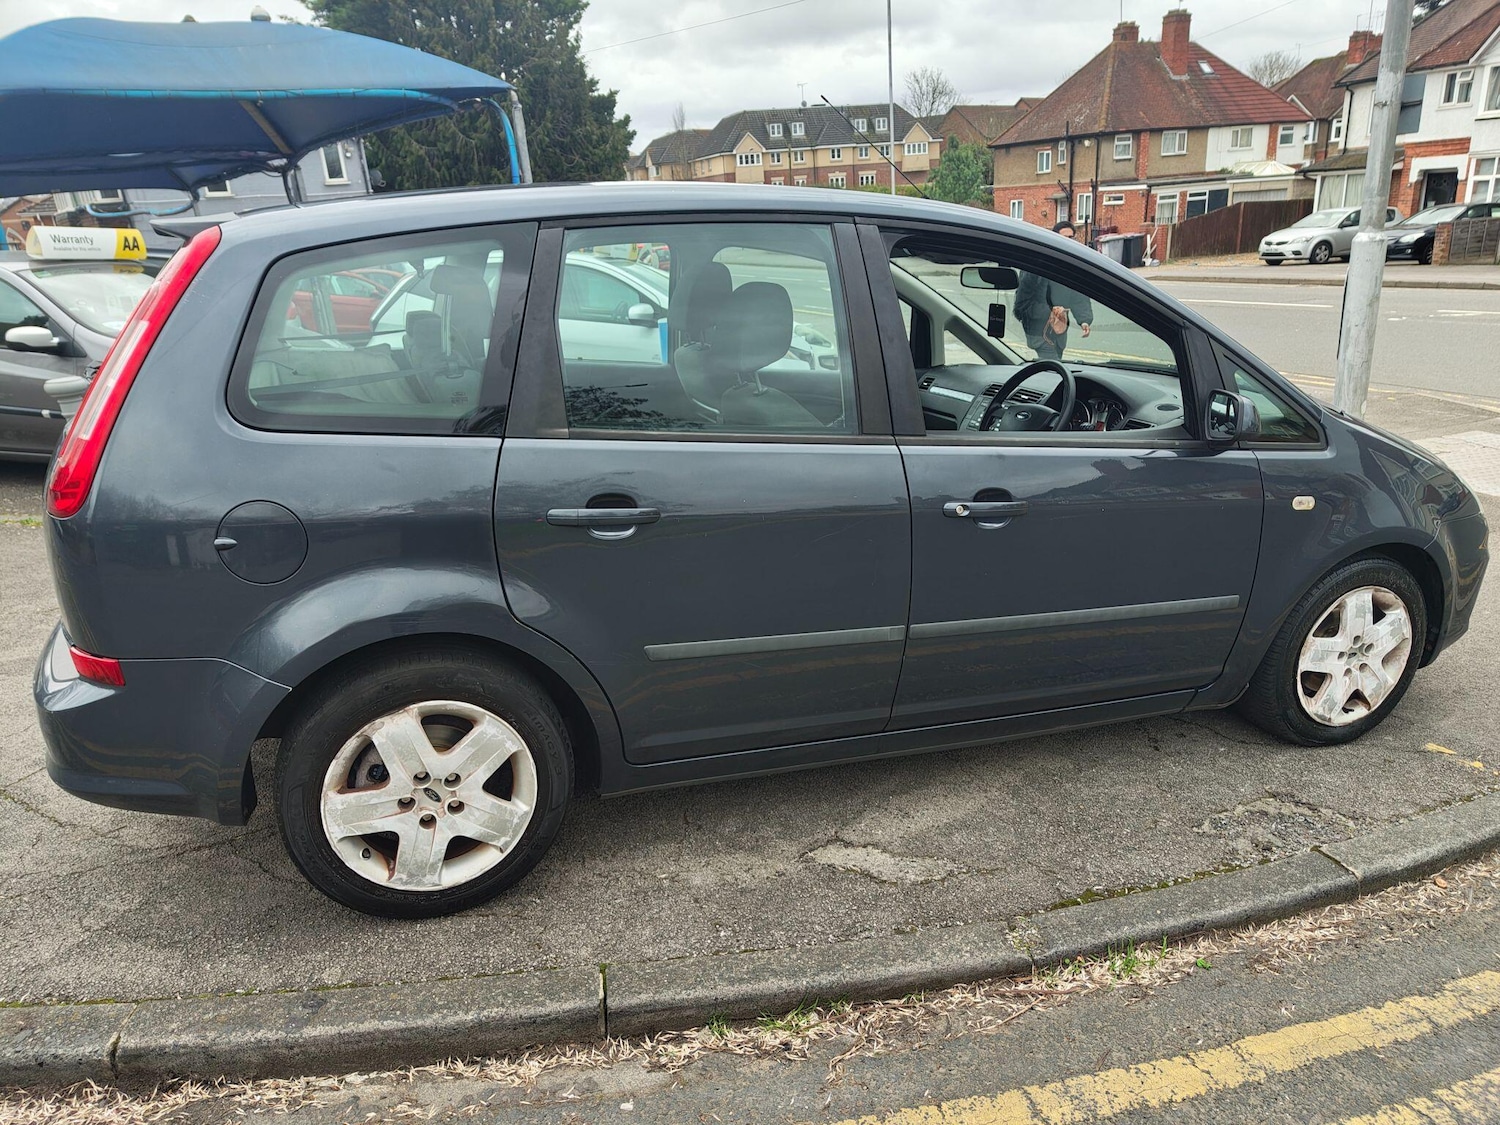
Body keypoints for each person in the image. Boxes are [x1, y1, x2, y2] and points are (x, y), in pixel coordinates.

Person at [1014, 222, 1094, 361]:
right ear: (1054, 239)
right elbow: (1021, 307)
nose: (1068, 242)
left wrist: (1084, 320)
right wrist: (1050, 311)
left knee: (1055, 368)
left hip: (1059, 331)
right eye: (1064, 238)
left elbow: (1078, 296)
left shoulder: (1071, 267)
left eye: (1071, 238)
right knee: (1055, 368)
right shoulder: (1035, 266)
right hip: (1039, 333)